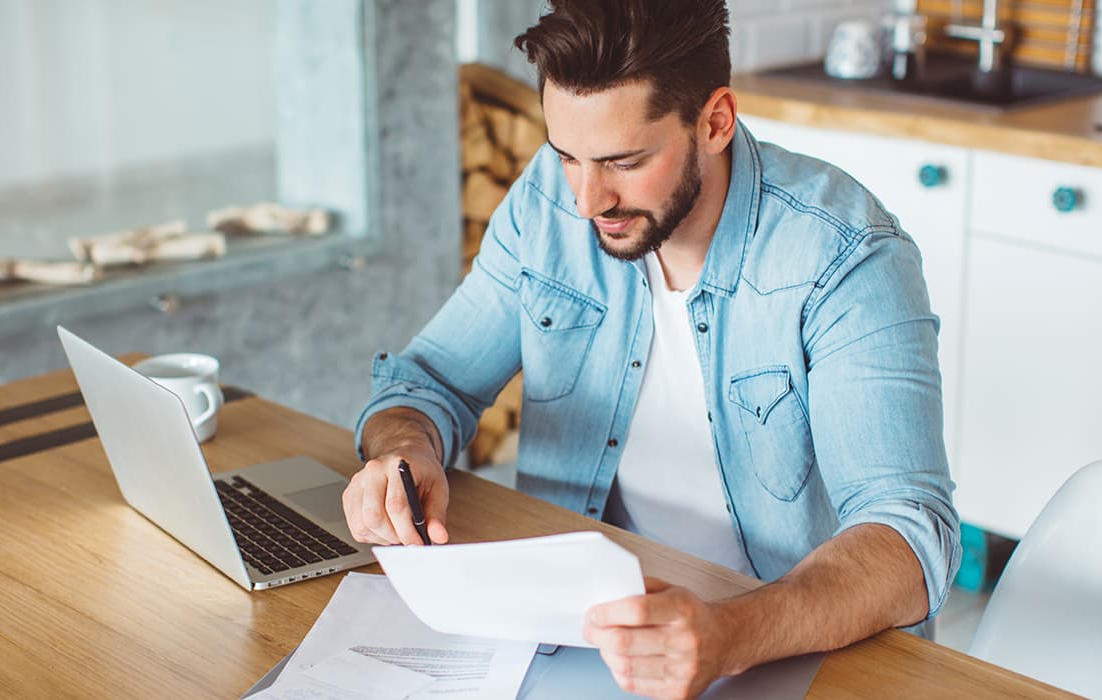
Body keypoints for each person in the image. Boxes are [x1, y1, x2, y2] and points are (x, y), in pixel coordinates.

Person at [343, 0, 961, 696]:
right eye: (567, 156)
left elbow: (908, 539)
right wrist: (407, 453)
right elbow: (427, 382)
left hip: (791, 648)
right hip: (587, 637)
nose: (586, 200)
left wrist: (731, 635)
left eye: (624, 161)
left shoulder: (847, 257)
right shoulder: (549, 203)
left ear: (715, 121)